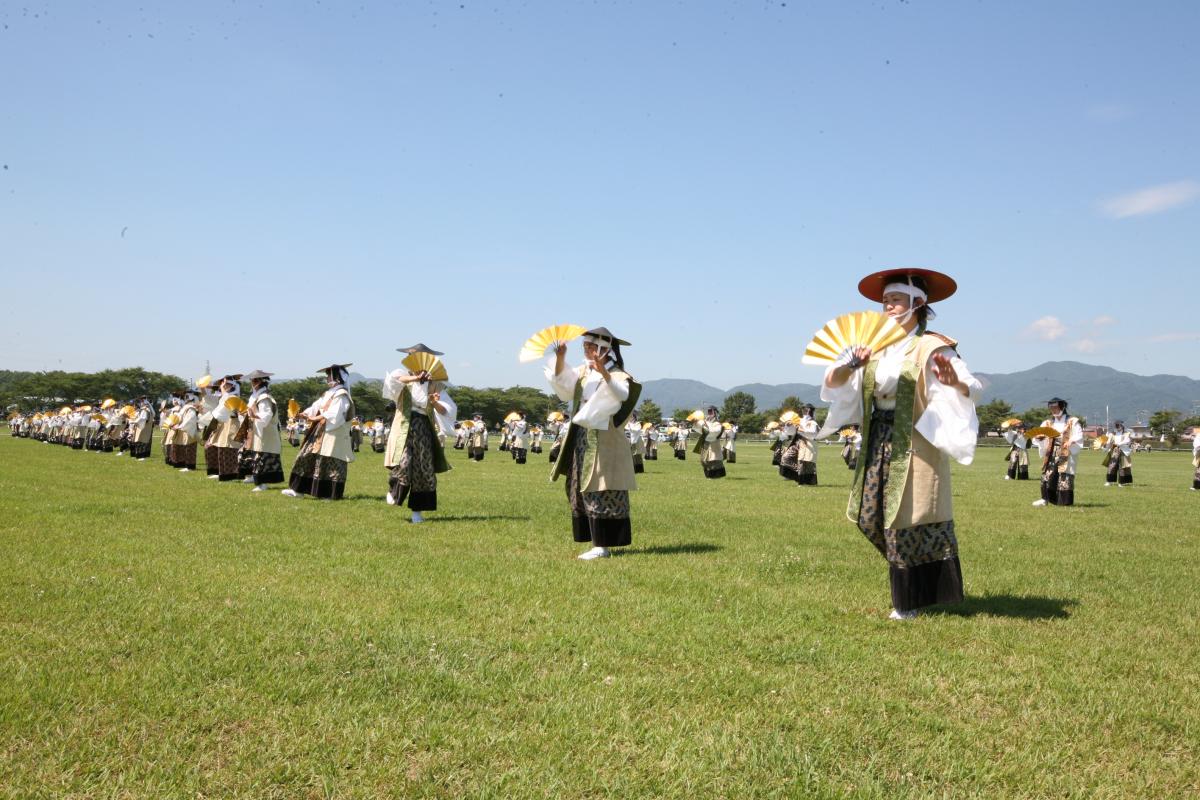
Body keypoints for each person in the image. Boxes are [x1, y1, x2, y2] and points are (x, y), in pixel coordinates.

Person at [821, 268, 980, 619]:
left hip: (915, 442)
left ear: (917, 304)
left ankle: (906, 603)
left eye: (895, 300)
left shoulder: (932, 346)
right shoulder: (873, 348)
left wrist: (954, 382)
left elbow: (970, 385)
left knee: (904, 519)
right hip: (878, 439)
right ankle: (919, 583)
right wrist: (851, 365)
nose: (888, 307)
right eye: (886, 301)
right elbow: (833, 381)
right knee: (869, 515)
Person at [548, 326, 641, 560]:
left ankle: (603, 546)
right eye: (585, 346)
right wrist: (560, 359)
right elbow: (564, 387)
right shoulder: (584, 372)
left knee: (600, 485)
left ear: (604, 350)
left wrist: (605, 374)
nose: (587, 350)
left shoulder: (619, 374)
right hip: (582, 434)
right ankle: (594, 541)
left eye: (591, 347)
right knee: (580, 482)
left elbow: (622, 395)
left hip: (605, 438)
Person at [383, 345, 457, 521]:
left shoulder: (436, 383)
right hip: (404, 425)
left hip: (424, 425)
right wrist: (415, 377)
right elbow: (393, 381)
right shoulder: (402, 374)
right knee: (403, 461)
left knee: (423, 468)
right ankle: (394, 490)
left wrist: (434, 402)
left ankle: (417, 512)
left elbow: (448, 409)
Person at [283, 364, 355, 500]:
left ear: (336, 377)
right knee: (305, 456)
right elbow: (317, 406)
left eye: (329, 375)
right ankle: (298, 490)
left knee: (330, 463)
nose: (327, 378)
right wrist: (305, 413)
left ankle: (330, 495)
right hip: (321, 430)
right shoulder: (329, 393)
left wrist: (315, 417)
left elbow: (335, 414)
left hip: (334, 434)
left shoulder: (341, 395)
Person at [1031, 398, 1083, 507]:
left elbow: (1078, 435)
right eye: (1051, 408)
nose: (1053, 410)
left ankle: (1064, 501)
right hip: (1052, 452)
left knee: (1064, 475)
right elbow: (1040, 435)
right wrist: (1039, 438)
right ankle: (1045, 499)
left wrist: (1071, 440)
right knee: (1047, 474)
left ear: (1062, 407)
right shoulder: (1047, 423)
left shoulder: (1072, 421)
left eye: (1055, 408)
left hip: (1066, 452)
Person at [243, 370, 284, 491]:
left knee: (263, 455)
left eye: (254, 380)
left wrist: (254, 414)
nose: (252, 383)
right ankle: (260, 482)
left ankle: (263, 483)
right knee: (259, 455)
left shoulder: (264, 398)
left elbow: (265, 416)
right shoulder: (258, 397)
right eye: (252, 380)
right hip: (259, 430)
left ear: (260, 382)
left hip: (265, 431)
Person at [207, 375, 245, 482]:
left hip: (233, 424)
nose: (224, 386)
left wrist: (223, 389)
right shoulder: (226, 396)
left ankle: (232, 474)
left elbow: (227, 400)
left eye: (227, 384)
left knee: (229, 449)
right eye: (224, 384)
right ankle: (222, 472)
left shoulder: (233, 397)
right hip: (224, 424)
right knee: (220, 448)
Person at [691, 406, 726, 478]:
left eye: (711, 411)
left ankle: (716, 476)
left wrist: (703, 424)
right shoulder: (705, 422)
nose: (709, 413)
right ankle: (708, 475)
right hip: (706, 443)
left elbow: (712, 431)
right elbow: (700, 430)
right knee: (703, 460)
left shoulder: (717, 424)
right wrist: (695, 422)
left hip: (713, 443)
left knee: (714, 459)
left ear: (715, 413)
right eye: (708, 411)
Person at [1104, 421, 1133, 487]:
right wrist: (1105, 448)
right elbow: (1109, 442)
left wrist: (1120, 443)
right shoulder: (1112, 434)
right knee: (1111, 466)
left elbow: (1127, 441)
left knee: (1123, 467)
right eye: (1116, 425)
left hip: (1123, 451)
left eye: (1118, 425)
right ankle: (1109, 481)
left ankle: (1122, 482)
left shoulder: (1126, 433)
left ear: (1122, 426)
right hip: (1114, 451)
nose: (1117, 427)